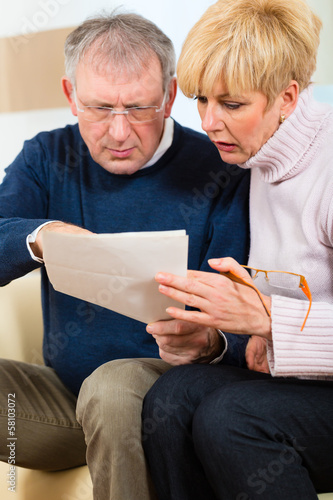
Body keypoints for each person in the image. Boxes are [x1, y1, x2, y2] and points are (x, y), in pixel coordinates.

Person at [0, 11, 250, 500]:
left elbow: (246, 316)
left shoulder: (220, 171)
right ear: (71, 96)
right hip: (64, 406)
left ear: (170, 97)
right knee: (101, 391)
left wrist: (210, 337)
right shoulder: (46, 157)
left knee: (112, 388)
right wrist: (41, 236)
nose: (118, 133)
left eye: (138, 108)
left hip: (164, 401)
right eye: (99, 108)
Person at [142, 0, 333, 498]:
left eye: (231, 105)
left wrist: (269, 319)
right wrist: (215, 342)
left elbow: (274, 317)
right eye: (201, 100)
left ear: (287, 97)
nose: (208, 122)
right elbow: (270, 325)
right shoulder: (256, 165)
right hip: (311, 384)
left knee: (232, 417)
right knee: (173, 397)